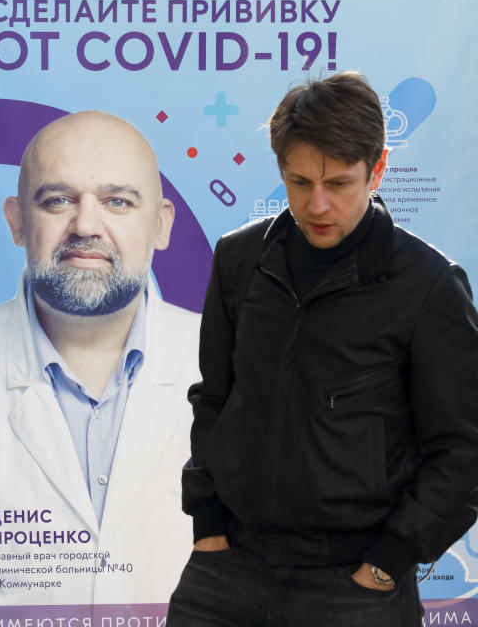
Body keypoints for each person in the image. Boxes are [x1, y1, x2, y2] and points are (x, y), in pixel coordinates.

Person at [169, 72, 478, 626]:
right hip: (226, 571)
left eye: (338, 183)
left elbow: (465, 449)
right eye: (299, 181)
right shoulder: (239, 260)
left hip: (355, 585)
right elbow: (213, 398)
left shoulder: (429, 286)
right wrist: (207, 524)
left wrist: (388, 563)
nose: (316, 204)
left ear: (377, 169)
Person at [0, 111, 201, 608]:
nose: (87, 224)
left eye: (117, 201)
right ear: (17, 221)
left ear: (161, 224)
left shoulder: (228, 361)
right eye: (58, 200)